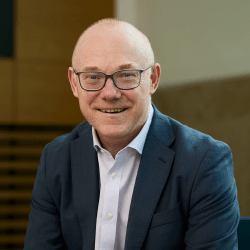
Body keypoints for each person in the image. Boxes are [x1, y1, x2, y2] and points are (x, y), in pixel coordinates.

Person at [24, 18, 240, 250]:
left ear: (153, 79)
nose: (109, 93)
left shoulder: (204, 161)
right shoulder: (56, 158)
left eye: (126, 75)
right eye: (93, 77)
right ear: (74, 84)